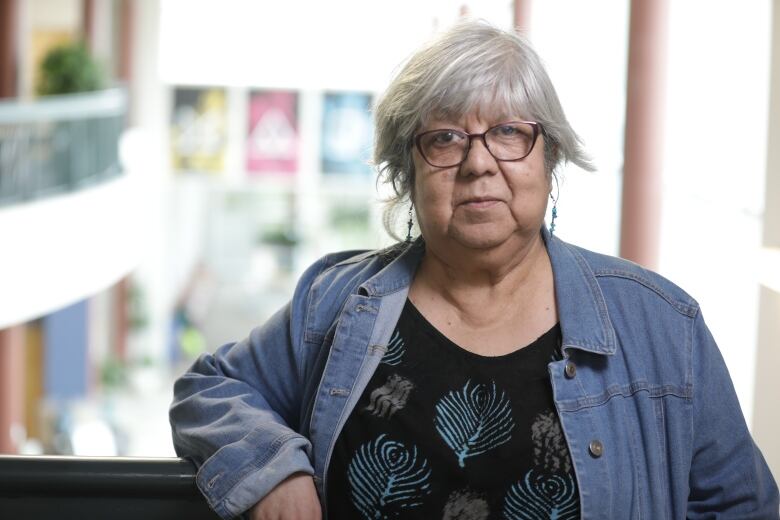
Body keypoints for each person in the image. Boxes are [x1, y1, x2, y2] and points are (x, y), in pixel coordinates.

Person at [169, 20, 779, 520]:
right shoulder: (335, 304)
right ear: (409, 172)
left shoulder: (662, 326)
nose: (478, 163)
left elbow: (742, 507)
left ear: (551, 158)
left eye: (510, 132)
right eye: (445, 138)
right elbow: (211, 389)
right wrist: (272, 470)